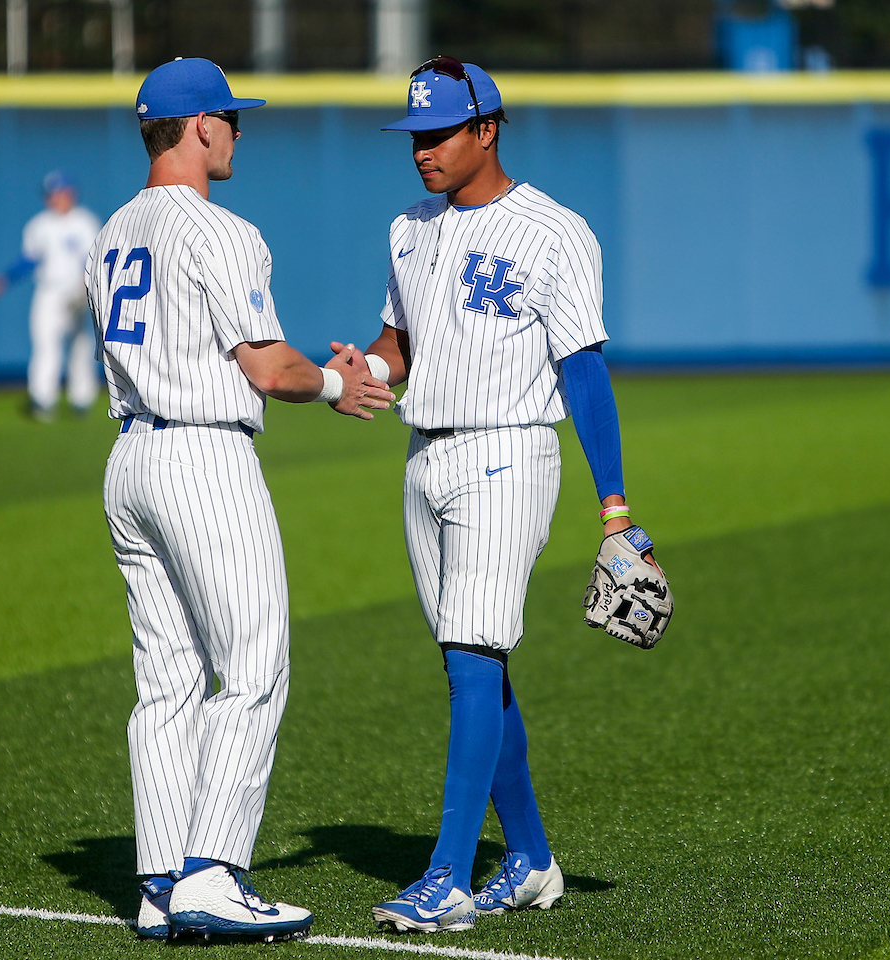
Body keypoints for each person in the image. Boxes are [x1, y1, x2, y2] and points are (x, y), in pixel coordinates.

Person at [85, 57, 394, 942]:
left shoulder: (111, 231)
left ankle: (160, 880)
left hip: (131, 459)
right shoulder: (222, 232)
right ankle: (214, 874)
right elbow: (267, 368)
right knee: (252, 668)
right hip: (203, 458)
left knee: (168, 681)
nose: (239, 130)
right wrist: (338, 386)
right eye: (230, 116)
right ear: (199, 127)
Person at [355, 56, 663, 933]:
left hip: (509, 456)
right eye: (415, 136)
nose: (423, 152)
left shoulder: (556, 231)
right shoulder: (408, 229)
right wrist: (367, 373)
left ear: (487, 128)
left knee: (471, 657)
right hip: (425, 460)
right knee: (474, 668)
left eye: (440, 133)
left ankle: (449, 875)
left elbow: (584, 372)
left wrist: (616, 512)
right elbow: (396, 345)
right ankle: (527, 859)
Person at [0, 172, 102, 421]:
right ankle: (42, 399)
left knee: (80, 345)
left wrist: (87, 288)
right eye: (50, 194)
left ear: (71, 193)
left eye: (58, 192)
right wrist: (3, 280)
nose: (54, 198)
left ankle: (82, 399)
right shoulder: (39, 224)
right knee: (45, 344)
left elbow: (93, 260)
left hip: (77, 289)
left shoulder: (85, 222)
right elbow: (29, 260)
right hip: (48, 291)